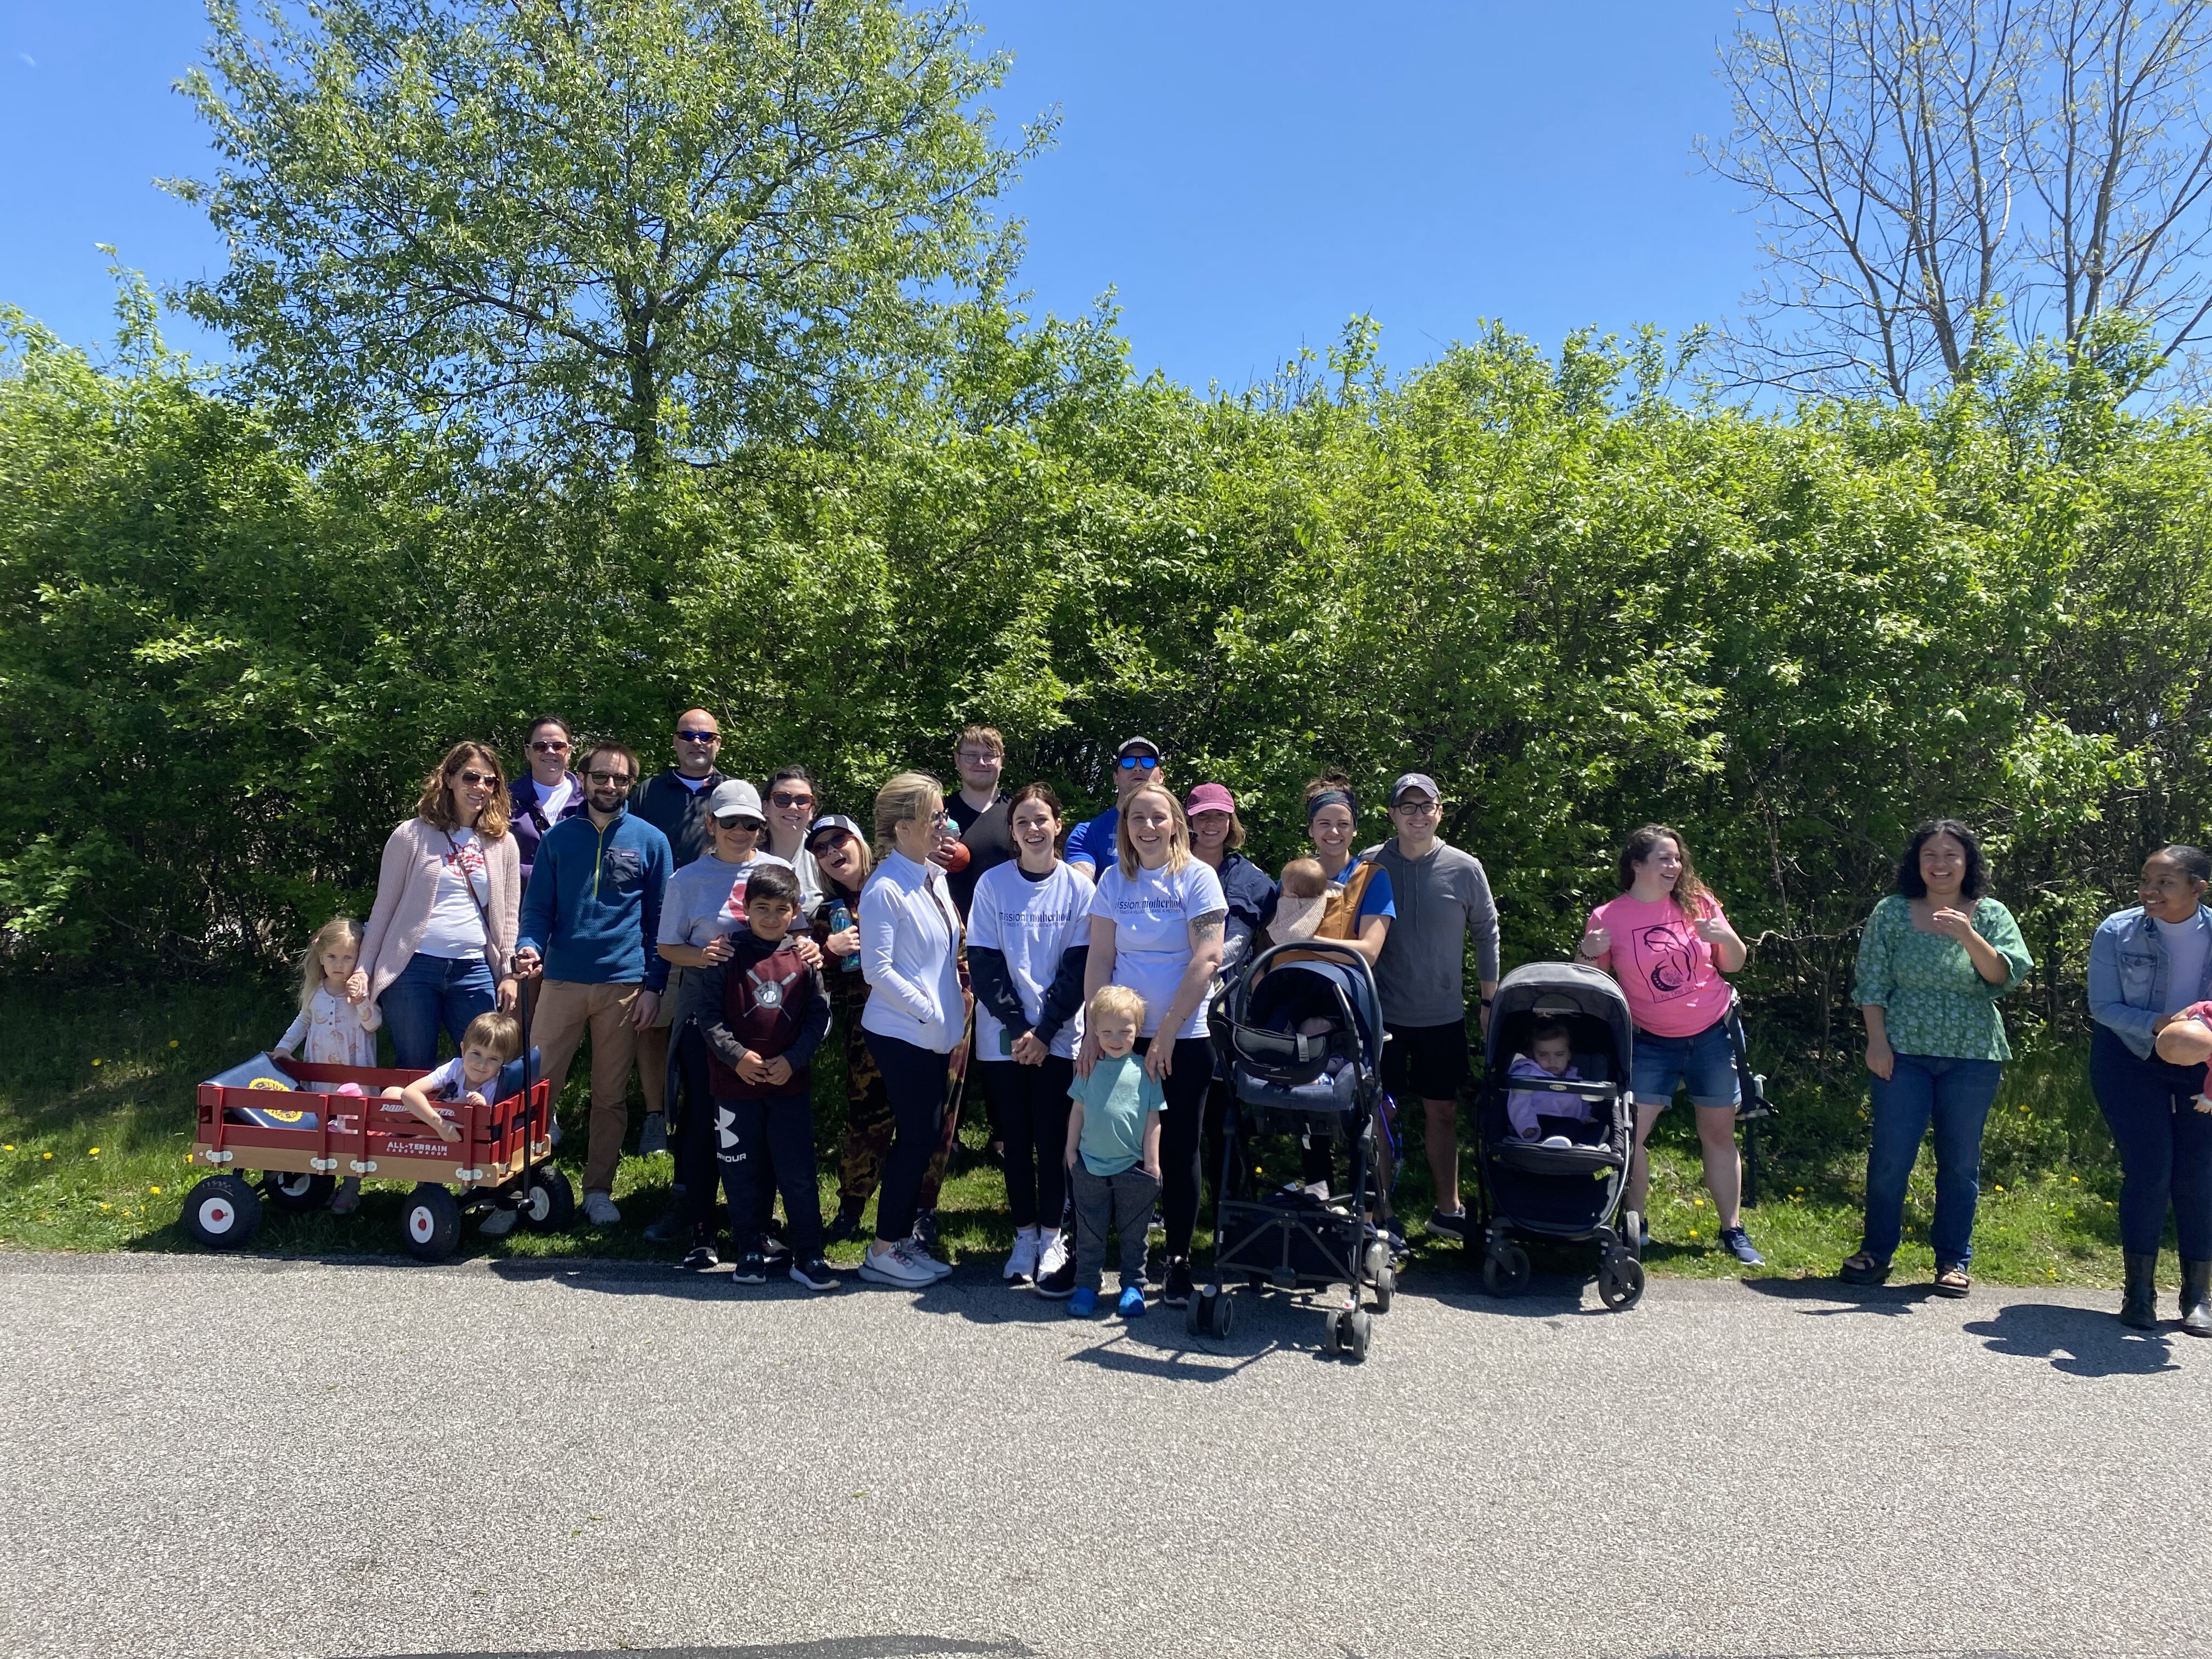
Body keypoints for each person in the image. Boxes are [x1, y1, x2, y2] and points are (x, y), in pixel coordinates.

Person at [1840, 820, 2033, 1299]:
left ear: (1968, 863)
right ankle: (1877, 1251)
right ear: (1917, 863)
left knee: (1960, 1162)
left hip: (1972, 1055)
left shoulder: (1990, 914)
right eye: (1931, 855)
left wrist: (1969, 935)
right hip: (1902, 1052)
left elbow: (2002, 977)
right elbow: (1872, 981)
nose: (1941, 864)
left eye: (1951, 855)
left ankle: (1952, 1260)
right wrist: (1876, 1042)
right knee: (1890, 1157)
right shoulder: (1891, 912)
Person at [1578, 824, 1762, 1265]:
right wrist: (1586, 952)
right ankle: (1634, 1225)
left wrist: (1727, 939)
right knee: (1632, 1136)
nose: (1674, 866)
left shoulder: (1698, 902)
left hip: (1713, 1034)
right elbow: (1591, 985)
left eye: (1678, 859)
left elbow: (1734, 964)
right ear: (1636, 865)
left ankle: (1732, 1230)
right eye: (1664, 858)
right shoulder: (1608, 917)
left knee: (1718, 1134)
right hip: (1650, 1042)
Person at [513, 741, 671, 1228]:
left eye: (620, 779)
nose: (609, 786)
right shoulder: (560, 839)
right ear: (582, 777)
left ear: (630, 785)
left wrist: (654, 986)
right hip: (560, 980)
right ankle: (520, 1186)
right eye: (600, 776)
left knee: (610, 1096)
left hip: (623, 985)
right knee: (536, 1090)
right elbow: (537, 908)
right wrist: (529, 945)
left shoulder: (651, 840)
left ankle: (598, 1191)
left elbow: (660, 920)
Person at [1080, 782, 1226, 1308]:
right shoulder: (1113, 881)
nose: (1146, 826)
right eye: (1136, 817)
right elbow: (1099, 959)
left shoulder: (1199, 879)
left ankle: (1180, 1260)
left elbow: (1207, 958)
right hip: (1120, 1039)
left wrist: (1166, 1032)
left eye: (1157, 817)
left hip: (1183, 1039)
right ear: (1125, 827)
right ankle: (1113, 1261)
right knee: (1113, 1145)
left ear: (1175, 825)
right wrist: (1093, 1033)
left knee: (1179, 1148)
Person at [646, 778, 798, 1260]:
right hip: (704, 1016)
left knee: (764, 1121)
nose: (740, 831)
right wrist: (701, 954)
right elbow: (667, 948)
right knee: (702, 1122)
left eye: (750, 823)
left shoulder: (777, 869)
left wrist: (810, 944)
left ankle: (759, 1222)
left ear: (761, 826)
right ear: (710, 823)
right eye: (729, 821)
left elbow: (796, 933)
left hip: (769, 1018)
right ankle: (700, 1227)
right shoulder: (687, 879)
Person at [967, 783, 1094, 1288]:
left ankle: (1051, 1236)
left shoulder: (1081, 889)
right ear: (1012, 831)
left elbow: (1080, 965)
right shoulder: (992, 885)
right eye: (1023, 822)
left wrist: (1044, 1032)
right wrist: (1020, 1028)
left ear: (1058, 824)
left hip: (1060, 1036)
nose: (1033, 829)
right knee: (1014, 1141)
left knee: (1056, 1140)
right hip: (1005, 1038)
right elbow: (984, 960)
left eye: (1042, 819)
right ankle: (1023, 1236)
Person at [1367, 772, 1499, 1242]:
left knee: (1442, 1112)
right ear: (1392, 815)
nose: (1418, 815)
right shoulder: (1370, 865)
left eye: (1427, 806)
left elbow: (1487, 933)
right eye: (1408, 807)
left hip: (1442, 1015)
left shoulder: (1465, 868)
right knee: (1380, 1113)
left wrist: (1489, 1000)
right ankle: (1380, 1213)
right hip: (1381, 1015)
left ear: (1440, 812)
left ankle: (1448, 1210)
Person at [694, 865, 838, 1292]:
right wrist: (736, 1057)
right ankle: (750, 1248)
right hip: (734, 1088)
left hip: (789, 1086)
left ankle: (809, 1252)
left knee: (797, 1172)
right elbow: (708, 1016)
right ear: (745, 908)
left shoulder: (805, 959)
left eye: (781, 909)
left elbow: (819, 1017)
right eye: (762, 908)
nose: (771, 917)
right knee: (741, 1172)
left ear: (795, 911)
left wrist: (793, 1060)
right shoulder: (726, 955)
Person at [2087, 843, 2212, 1333]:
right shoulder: (2116, 931)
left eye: (2165, 882)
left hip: (2203, 1064)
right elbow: (2104, 1007)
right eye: (2146, 880)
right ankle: (2138, 1292)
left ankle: (2197, 1296)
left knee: (2198, 1173)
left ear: (2198, 887)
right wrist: (2166, 1024)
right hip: (2130, 1056)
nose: (2150, 891)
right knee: (2150, 1169)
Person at [855, 773, 967, 1289]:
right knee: (917, 1138)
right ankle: (883, 1250)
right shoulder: (885, 887)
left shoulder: (932, 876)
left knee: (922, 1140)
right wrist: (929, 1012)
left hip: (932, 1033)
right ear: (905, 827)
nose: (945, 824)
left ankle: (897, 1240)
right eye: (936, 817)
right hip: (902, 1033)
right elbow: (876, 970)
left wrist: (945, 1015)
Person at [356, 742, 522, 1071]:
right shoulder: (412, 834)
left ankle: (468, 1124)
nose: (480, 788)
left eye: (490, 782)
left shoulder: (503, 843)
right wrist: (363, 968)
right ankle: (413, 1124)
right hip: (414, 968)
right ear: (449, 779)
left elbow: (508, 918)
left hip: (473, 969)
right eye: (471, 777)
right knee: (415, 1065)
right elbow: (384, 909)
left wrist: (508, 973)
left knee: (484, 1066)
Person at [630, 709, 729, 1155]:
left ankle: (713, 1113)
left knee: (718, 1026)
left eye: (705, 735)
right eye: (688, 735)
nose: (697, 742)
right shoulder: (648, 791)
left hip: (718, 932)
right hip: (658, 930)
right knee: (653, 1024)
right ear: (675, 742)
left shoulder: (732, 793)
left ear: (718, 743)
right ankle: (656, 1117)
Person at [1063, 984, 1164, 1321]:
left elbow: (1153, 1119)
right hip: (1090, 1166)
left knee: (1134, 1233)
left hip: (1132, 1168)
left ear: (1139, 1030)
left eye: (1125, 1031)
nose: (1116, 1038)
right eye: (1106, 1031)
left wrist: (1152, 1161)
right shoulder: (1088, 1066)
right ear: (1095, 1031)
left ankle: (1133, 1285)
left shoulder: (1145, 1071)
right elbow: (1077, 1111)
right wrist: (1070, 1149)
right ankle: (1087, 1285)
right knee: (1089, 1230)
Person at [272, 916, 379, 1215]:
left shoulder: (361, 993)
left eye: (348, 958)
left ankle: (351, 1187)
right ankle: (324, 1185)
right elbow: (304, 1021)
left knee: (353, 1131)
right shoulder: (317, 992)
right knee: (325, 1127)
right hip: (321, 1075)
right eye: (332, 957)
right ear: (321, 958)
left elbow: (373, 1025)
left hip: (354, 1076)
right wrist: (284, 1048)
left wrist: (361, 1002)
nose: (339, 964)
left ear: (359, 959)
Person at [381, 1009, 524, 1147]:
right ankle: (404, 1137)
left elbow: (490, 1127)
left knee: (466, 1104)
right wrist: (441, 1125)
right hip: (436, 1120)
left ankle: (417, 1141)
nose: (482, 1064)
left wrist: (484, 1108)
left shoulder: (496, 1084)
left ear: (503, 1063)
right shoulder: (456, 1067)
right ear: (463, 1049)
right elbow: (410, 1092)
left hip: (460, 1135)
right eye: (476, 1053)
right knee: (390, 1094)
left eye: (493, 1059)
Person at [1063, 736, 1165, 879]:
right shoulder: (1087, 834)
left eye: (1148, 762)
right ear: (1116, 777)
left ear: (1161, 776)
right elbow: (1081, 889)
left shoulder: (1181, 832)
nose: (1138, 768)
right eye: (1128, 762)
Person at [944, 725, 1015, 918]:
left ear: (1002, 761)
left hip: (1009, 927)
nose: (981, 762)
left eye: (989, 755)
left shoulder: (1019, 813)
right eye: (971, 756)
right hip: (954, 934)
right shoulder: (939, 813)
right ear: (957, 760)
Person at [510, 716, 585, 891]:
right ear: (527, 752)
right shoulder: (506, 800)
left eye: (558, 746)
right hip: (523, 910)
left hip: (576, 908)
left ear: (570, 751)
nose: (550, 751)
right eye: (540, 746)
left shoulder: (590, 800)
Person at [1505, 1020, 1585, 1142]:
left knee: (1601, 1128)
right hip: (1538, 1124)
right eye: (1543, 1055)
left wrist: (1586, 1117)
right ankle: (1553, 1144)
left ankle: (1592, 1146)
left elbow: (1582, 1105)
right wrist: (1527, 1125)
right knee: (1572, 1126)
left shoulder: (1574, 1078)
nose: (1552, 1061)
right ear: (1533, 1055)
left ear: (1569, 1055)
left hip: (1570, 1125)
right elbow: (1519, 1103)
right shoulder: (1527, 1074)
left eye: (1559, 1055)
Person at [763, 766, 826, 910]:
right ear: (765, 807)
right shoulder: (744, 853)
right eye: (782, 799)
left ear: (812, 811)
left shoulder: (826, 856)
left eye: (803, 800)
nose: (793, 807)